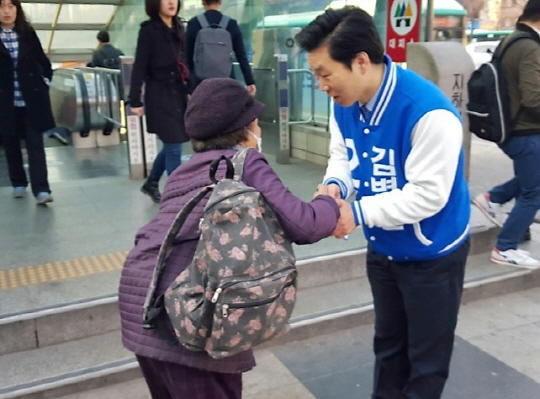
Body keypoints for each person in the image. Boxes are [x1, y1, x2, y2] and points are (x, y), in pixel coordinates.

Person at [118, 78, 339, 399]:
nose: (259, 132)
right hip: (186, 311)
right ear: (245, 129)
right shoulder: (243, 162)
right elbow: (304, 224)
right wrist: (329, 201)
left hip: (141, 301)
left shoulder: (184, 169)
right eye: (257, 123)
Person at [296, 7, 471, 399]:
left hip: (432, 255)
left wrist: (355, 213)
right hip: (384, 249)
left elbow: (428, 195)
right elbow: (341, 154)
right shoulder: (345, 102)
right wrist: (334, 187)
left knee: (426, 362)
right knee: (388, 348)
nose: (322, 85)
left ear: (360, 62)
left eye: (325, 73)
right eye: (316, 75)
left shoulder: (428, 112)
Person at [472, 0, 540, 269]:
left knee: (533, 179)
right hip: (524, 131)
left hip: (512, 128)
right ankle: (505, 247)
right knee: (534, 193)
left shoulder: (512, 40)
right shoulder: (529, 47)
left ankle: (493, 198)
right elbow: (534, 98)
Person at [129, 0, 190, 203]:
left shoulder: (180, 27)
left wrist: (191, 89)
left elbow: (187, 63)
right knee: (174, 145)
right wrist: (135, 100)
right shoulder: (148, 31)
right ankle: (177, 198)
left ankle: (152, 183)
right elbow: (139, 66)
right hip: (159, 94)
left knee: (173, 143)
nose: (172, 2)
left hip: (179, 93)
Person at [0, 0, 54, 204]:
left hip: (31, 99)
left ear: (17, 9)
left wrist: (44, 84)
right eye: (2, 6)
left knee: (35, 144)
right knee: (10, 142)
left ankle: (42, 189)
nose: (6, 11)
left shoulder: (27, 34)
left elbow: (44, 63)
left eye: (11, 6)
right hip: (5, 102)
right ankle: (18, 183)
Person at [185, 0, 256, 95]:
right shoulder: (231, 24)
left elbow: (187, 56)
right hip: (226, 82)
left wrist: (188, 86)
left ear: (203, 2)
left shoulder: (194, 23)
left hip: (200, 84)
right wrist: (250, 81)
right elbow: (241, 56)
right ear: (220, 2)